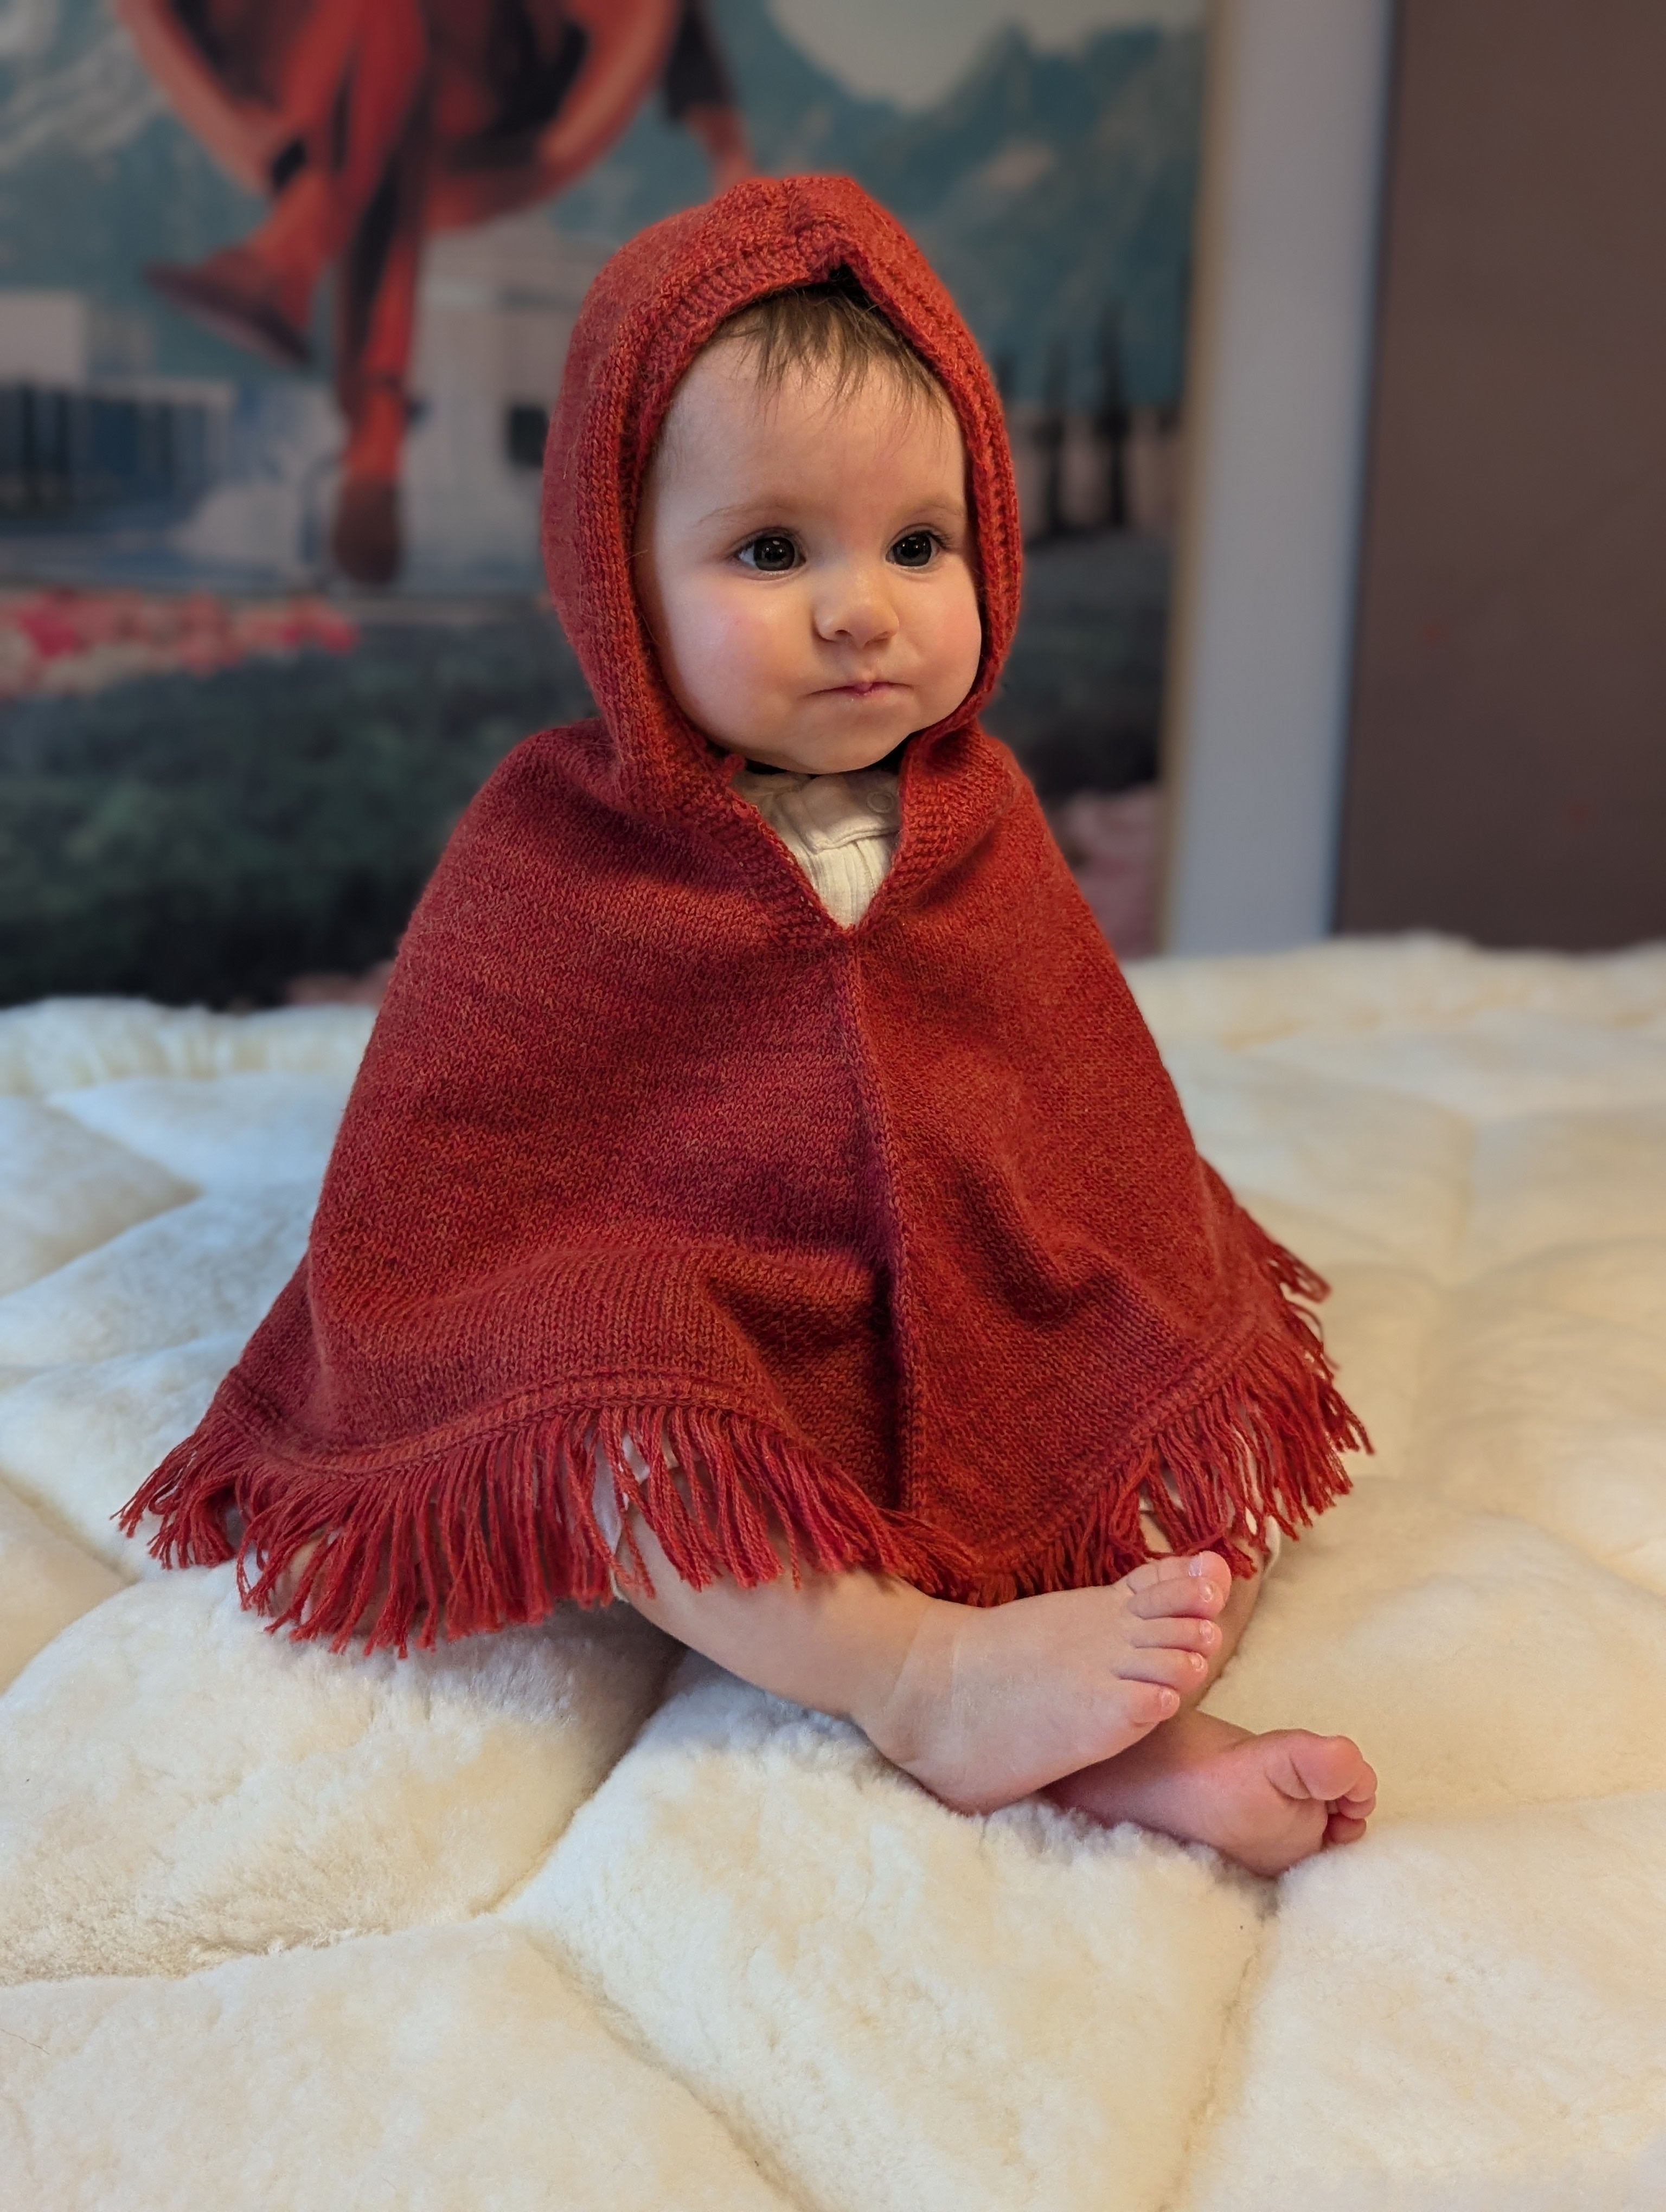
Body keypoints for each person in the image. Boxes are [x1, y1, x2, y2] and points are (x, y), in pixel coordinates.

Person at [123, 177, 1376, 1880]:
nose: (858, 606)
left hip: (952, 1287)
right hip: (711, 1320)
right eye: (772, 549)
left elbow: (1064, 1094)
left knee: (1093, 1339)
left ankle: (1126, 1744)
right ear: (619, 577)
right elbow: (470, 1168)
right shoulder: (561, 845)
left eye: (916, 544)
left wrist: (1081, 1237)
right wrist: (554, 1312)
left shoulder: (980, 821)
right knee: (599, 1371)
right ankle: (906, 1665)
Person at [121, 0, 751, 584]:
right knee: (384, 60)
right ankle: (376, 435)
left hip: (480, 54)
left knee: (383, 38)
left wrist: (724, 143)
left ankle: (295, 250)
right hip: (305, 43)